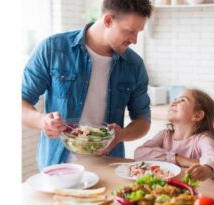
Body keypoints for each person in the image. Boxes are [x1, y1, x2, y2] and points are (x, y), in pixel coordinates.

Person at [22, 0, 153, 170]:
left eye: (138, 32)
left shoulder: (134, 65)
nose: (134, 40)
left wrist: (122, 135)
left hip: (108, 168)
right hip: (58, 166)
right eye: (130, 31)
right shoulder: (53, 48)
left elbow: (143, 119)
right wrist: (42, 121)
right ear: (108, 21)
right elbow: (21, 101)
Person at [134, 89, 214, 181]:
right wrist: (178, 159)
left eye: (182, 100)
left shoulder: (203, 139)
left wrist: (207, 169)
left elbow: (211, 156)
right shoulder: (164, 135)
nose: (174, 103)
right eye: (175, 99)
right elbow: (139, 153)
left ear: (197, 115)